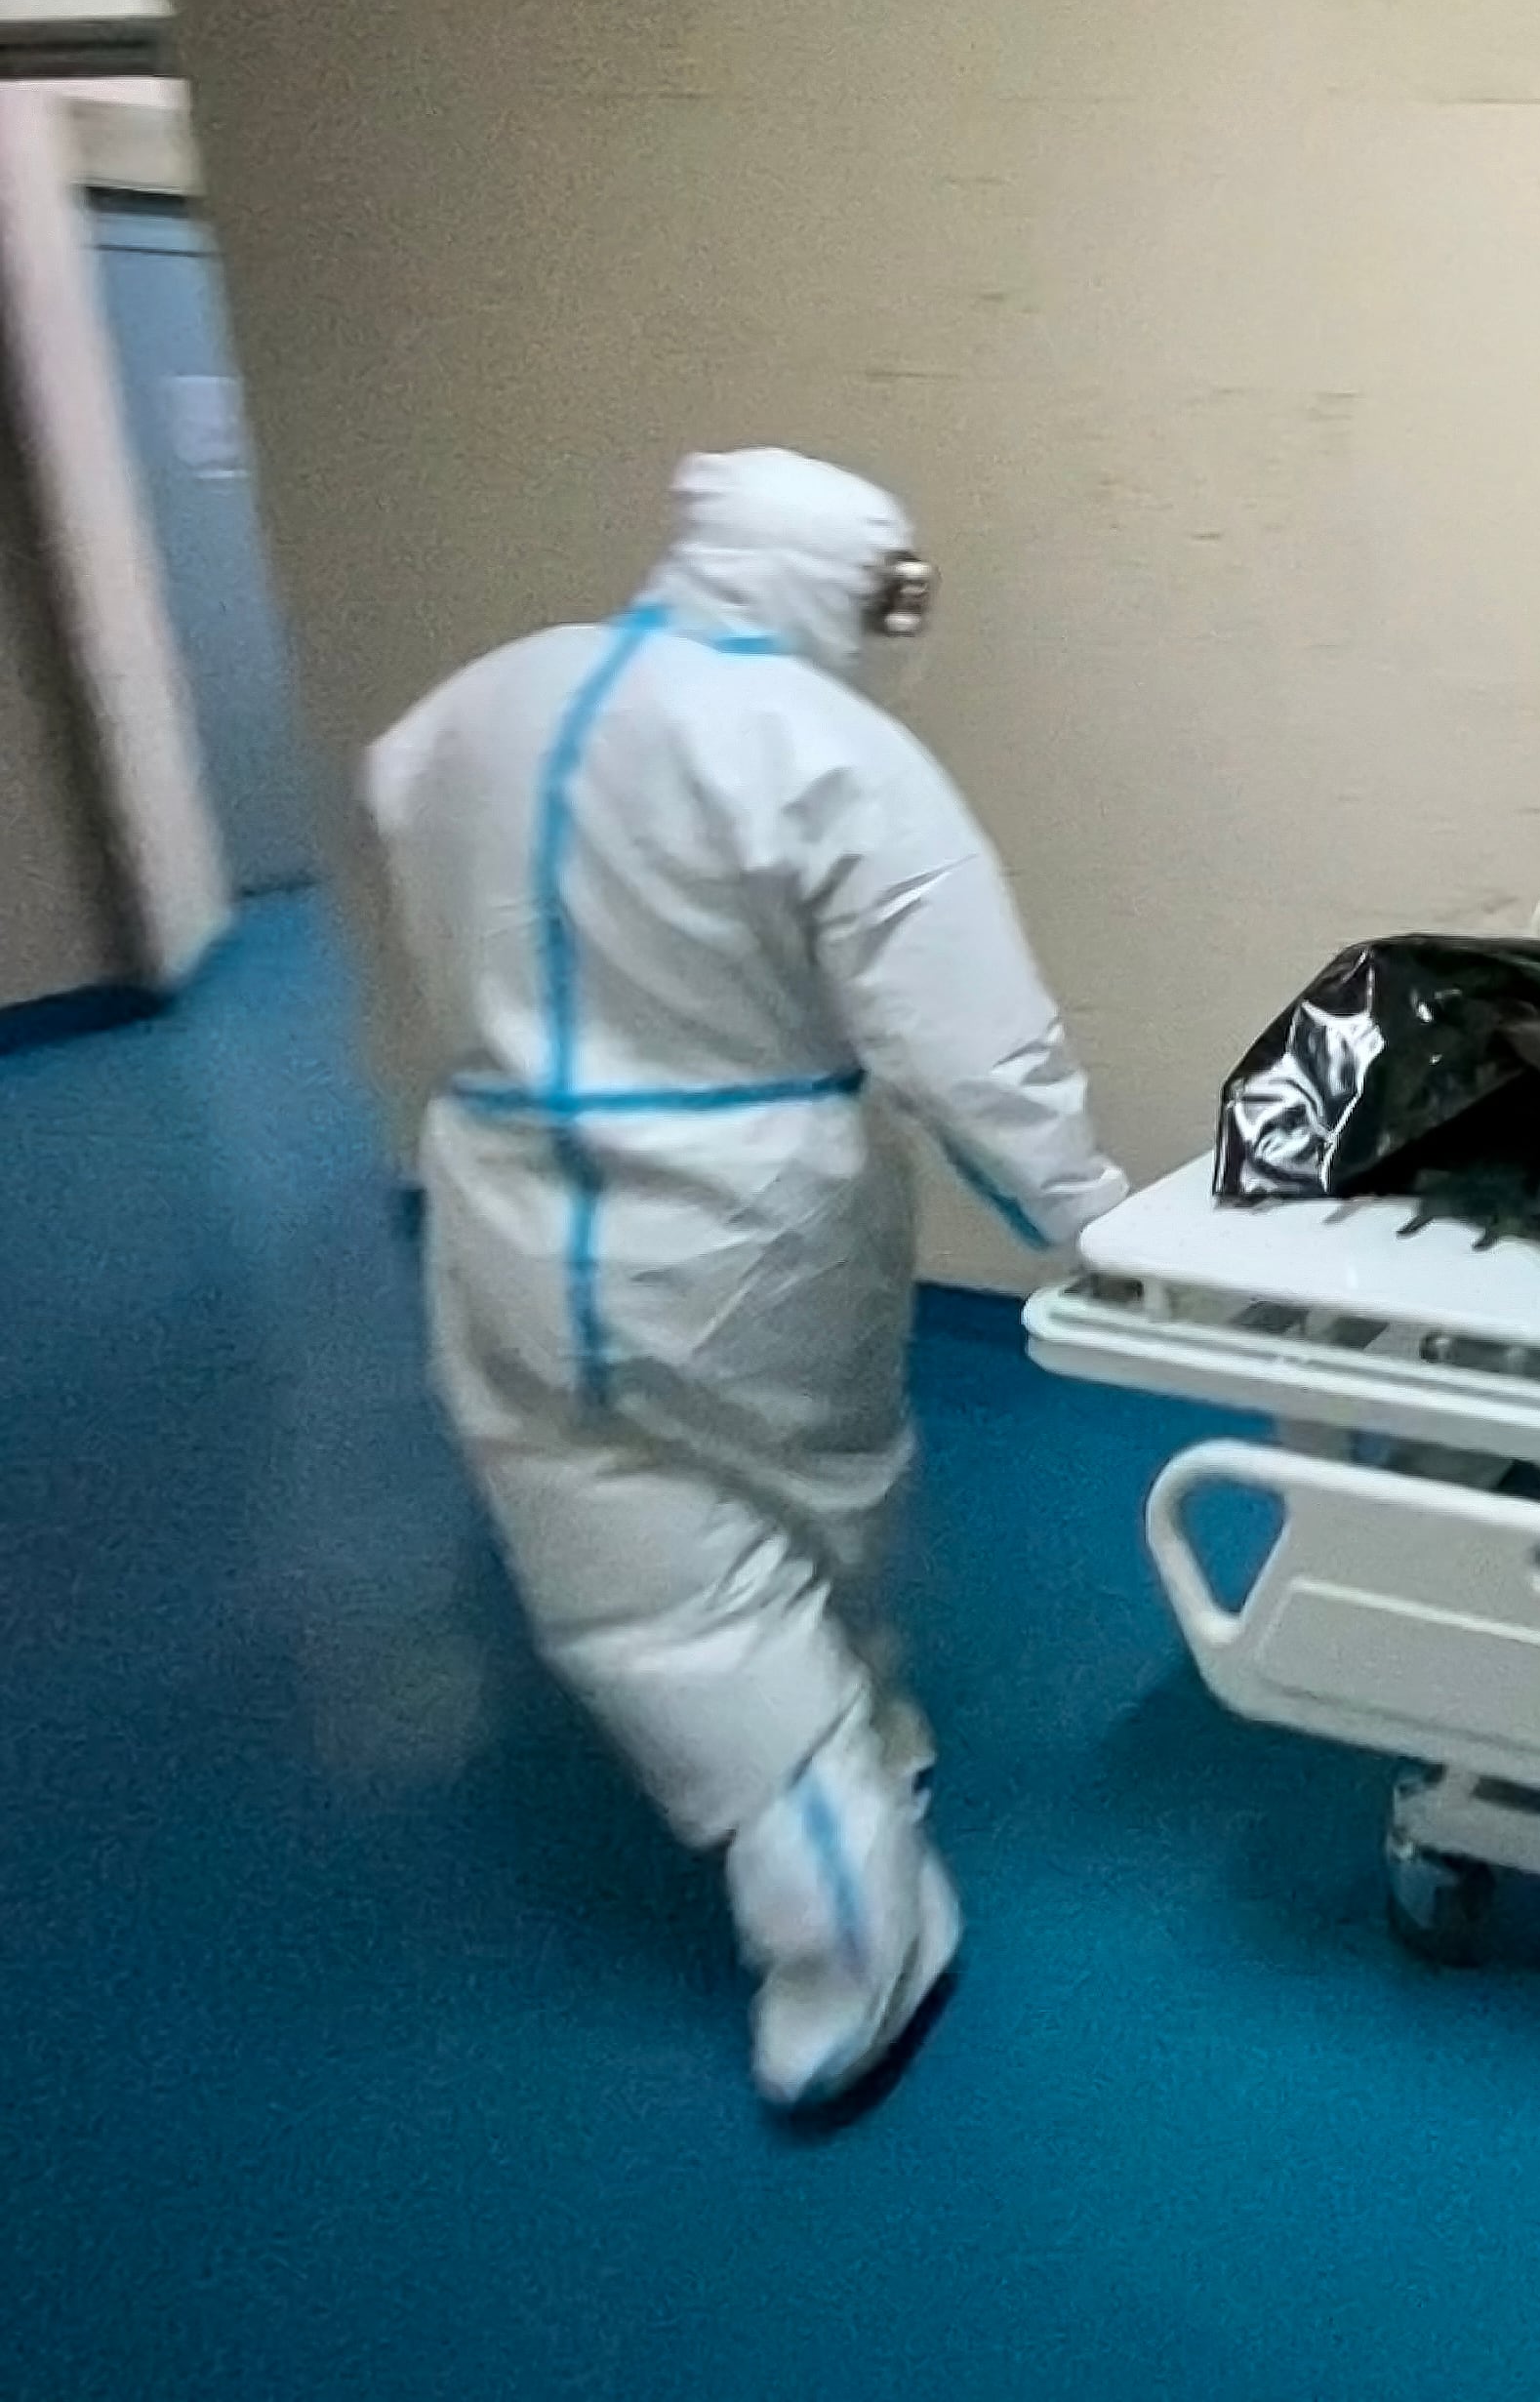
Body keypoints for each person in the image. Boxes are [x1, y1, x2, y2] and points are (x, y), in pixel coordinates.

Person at [366, 449, 1127, 2116]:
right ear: (838, 583)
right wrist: (1093, 1228)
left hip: (502, 1202)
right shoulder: (832, 752)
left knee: (623, 1564)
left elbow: (413, 824)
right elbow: (970, 1049)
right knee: (802, 1511)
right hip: (746, 1216)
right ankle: (856, 1933)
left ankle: (835, 1754)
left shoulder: (476, 706)